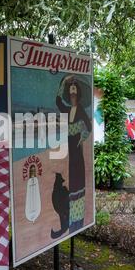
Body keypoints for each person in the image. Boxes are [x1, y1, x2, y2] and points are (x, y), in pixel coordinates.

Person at [56, 75, 91, 233]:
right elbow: (58, 102)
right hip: (68, 148)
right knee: (71, 178)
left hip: (76, 149)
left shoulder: (81, 110)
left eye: (74, 89)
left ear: (78, 93)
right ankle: (71, 217)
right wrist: (63, 82)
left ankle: (77, 218)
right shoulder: (67, 109)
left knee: (77, 179)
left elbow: (88, 127)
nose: (72, 91)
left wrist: (82, 138)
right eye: (70, 89)